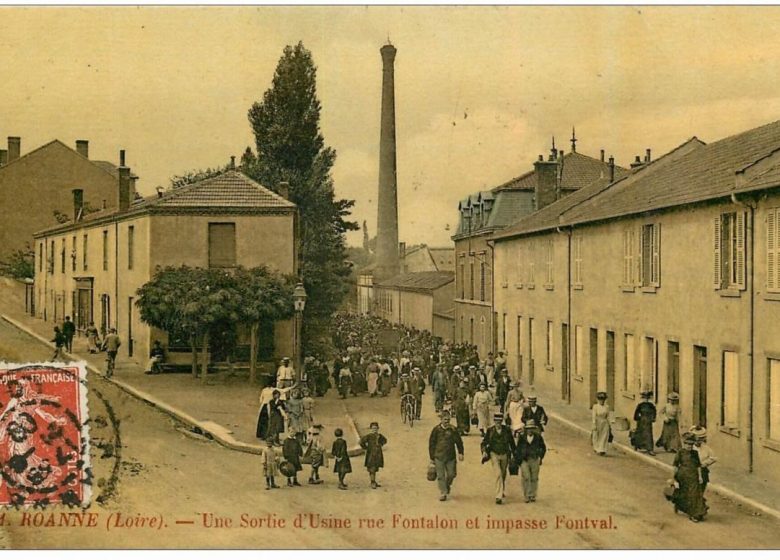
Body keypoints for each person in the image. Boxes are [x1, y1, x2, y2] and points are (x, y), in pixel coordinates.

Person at [428, 410, 465, 501]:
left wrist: (461, 453)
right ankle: (443, 492)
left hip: (450, 457)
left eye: (448, 420)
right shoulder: (436, 430)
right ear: (441, 419)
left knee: (452, 474)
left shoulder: (453, 430)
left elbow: (459, 442)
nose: (447, 421)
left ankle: (447, 486)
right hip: (439, 456)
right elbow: (431, 444)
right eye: (445, 419)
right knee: (441, 476)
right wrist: (432, 457)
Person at [671, 433, 708, 522]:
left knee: (695, 494)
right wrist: (674, 478)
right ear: (684, 444)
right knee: (685, 494)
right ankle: (691, 513)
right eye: (687, 444)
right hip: (682, 475)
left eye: (691, 444)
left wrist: (700, 477)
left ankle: (697, 513)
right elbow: (675, 466)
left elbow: (698, 466)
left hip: (693, 475)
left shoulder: (695, 453)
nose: (689, 446)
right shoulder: (680, 452)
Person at [481, 413, 516, 504]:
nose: (498, 423)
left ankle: (502, 489)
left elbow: (512, 443)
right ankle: (498, 496)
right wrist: (484, 451)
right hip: (494, 454)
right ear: (494, 421)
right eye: (496, 421)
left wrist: (514, 455)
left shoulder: (507, 430)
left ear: (502, 421)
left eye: (500, 421)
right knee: (498, 474)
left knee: (503, 473)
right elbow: (484, 442)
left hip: (505, 454)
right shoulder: (490, 431)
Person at [514, 419, 547, 503]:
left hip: (534, 459)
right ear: (526, 429)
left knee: (534, 478)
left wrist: (540, 456)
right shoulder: (522, 437)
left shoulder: (538, 437)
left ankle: (533, 495)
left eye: (531, 428)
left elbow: (543, 448)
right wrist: (519, 460)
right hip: (524, 460)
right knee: (526, 477)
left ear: (534, 429)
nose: (530, 430)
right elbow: (518, 448)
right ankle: (527, 495)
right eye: (528, 428)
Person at [359, 421, 387, 489]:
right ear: (370, 429)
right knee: (372, 468)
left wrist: (380, 444)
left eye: (376, 428)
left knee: (375, 468)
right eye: (373, 428)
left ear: (378, 428)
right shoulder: (368, 436)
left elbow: (385, 440)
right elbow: (361, 442)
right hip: (371, 455)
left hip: (378, 455)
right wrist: (365, 448)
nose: (374, 430)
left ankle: (373, 481)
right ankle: (372, 482)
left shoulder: (379, 436)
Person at [691, 426, 716, 492]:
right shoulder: (690, 448)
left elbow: (713, 458)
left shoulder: (706, 448)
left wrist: (704, 463)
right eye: (698, 439)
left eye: (701, 439)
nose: (699, 441)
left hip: (702, 471)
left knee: (701, 490)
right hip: (692, 472)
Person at [632, 390, 657, 455]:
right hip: (641, 420)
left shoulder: (651, 405)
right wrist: (637, 418)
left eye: (647, 397)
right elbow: (636, 412)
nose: (646, 399)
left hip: (648, 421)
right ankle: (637, 446)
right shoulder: (641, 405)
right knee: (640, 433)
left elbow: (654, 412)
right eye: (645, 397)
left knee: (648, 434)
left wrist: (653, 418)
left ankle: (650, 449)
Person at [591, 391, 611, 456]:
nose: (601, 401)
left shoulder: (607, 407)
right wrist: (594, 423)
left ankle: (602, 449)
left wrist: (610, 423)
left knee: (604, 436)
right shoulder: (595, 406)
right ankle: (597, 448)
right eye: (600, 400)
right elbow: (594, 416)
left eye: (603, 400)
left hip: (604, 422)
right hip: (598, 422)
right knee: (596, 435)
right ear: (598, 400)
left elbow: (608, 416)